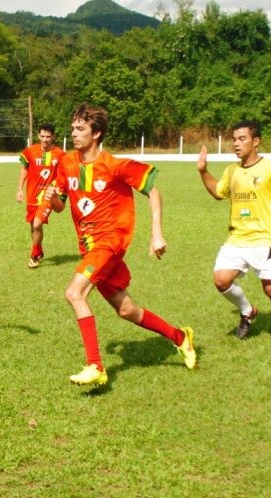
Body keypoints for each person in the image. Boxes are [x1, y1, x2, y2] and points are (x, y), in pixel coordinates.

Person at [45, 104, 196, 387]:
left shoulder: (115, 166)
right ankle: (180, 337)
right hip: (89, 247)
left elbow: (153, 190)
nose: (74, 133)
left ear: (97, 133)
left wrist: (157, 233)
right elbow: (59, 207)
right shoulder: (66, 163)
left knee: (74, 293)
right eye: (73, 127)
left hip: (111, 242)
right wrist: (53, 196)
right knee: (126, 310)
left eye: (81, 129)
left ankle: (96, 366)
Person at [197, 120, 271, 345]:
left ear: (256, 141)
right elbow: (217, 192)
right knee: (221, 280)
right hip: (237, 238)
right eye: (234, 139)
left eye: (242, 139)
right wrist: (203, 171)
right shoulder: (232, 171)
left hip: (263, 238)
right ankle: (247, 311)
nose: (236, 144)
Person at [16, 123, 65, 268]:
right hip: (32, 195)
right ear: (38, 136)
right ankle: (39, 250)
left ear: (53, 137)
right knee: (34, 226)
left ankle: (34, 255)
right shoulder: (30, 151)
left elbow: (64, 174)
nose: (45, 139)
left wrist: (57, 190)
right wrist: (19, 189)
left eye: (48, 136)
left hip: (48, 196)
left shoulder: (60, 154)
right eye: (42, 136)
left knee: (37, 224)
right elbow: (24, 169)